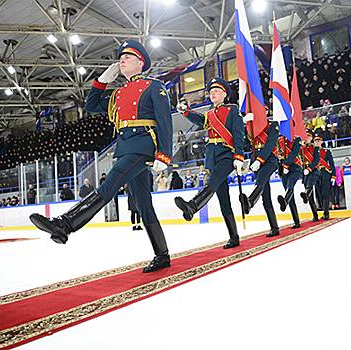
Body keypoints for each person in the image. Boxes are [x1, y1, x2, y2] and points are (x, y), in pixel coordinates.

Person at [29, 39, 173, 273]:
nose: (122, 60)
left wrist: (164, 154)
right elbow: (92, 105)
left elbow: (165, 121)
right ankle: (162, 254)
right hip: (125, 146)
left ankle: (65, 224)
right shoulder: (117, 93)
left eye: (128, 57)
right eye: (121, 57)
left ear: (140, 62)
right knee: (144, 205)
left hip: (143, 145)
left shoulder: (153, 86)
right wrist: (101, 81)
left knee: (109, 185)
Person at [175, 78, 244, 249]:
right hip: (213, 156)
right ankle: (234, 237)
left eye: (217, 91)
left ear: (225, 94)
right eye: (211, 91)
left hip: (227, 154)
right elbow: (200, 120)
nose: (213, 93)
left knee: (211, 183)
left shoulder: (233, 110)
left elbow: (238, 133)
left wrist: (239, 156)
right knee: (223, 198)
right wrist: (185, 111)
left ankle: (193, 205)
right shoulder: (209, 113)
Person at [238, 112, 280, 237]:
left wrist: (259, 160)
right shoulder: (251, 127)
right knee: (265, 195)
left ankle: (250, 201)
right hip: (255, 161)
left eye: (264, 109)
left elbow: (270, 144)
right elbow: (246, 144)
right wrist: (244, 124)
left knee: (260, 181)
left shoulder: (273, 125)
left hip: (270, 159)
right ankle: (274, 227)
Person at [299, 130, 321, 222]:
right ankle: (315, 214)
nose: (307, 138)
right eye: (305, 136)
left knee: (309, 186)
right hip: (304, 172)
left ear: (311, 138)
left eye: (308, 136)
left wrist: (309, 169)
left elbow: (316, 160)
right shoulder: (301, 149)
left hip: (313, 171)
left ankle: (306, 194)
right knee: (310, 196)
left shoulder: (315, 148)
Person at [313, 134, 335, 220]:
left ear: (321, 142)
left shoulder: (326, 151)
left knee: (325, 193)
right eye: (315, 141)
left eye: (319, 141)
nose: (317, 142)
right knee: (318, 194)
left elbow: (332, 164)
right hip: (315, 173)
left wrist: (333, 175)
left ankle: (326, 213)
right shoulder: (312, 152)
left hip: (325, 173)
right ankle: (321, 211)